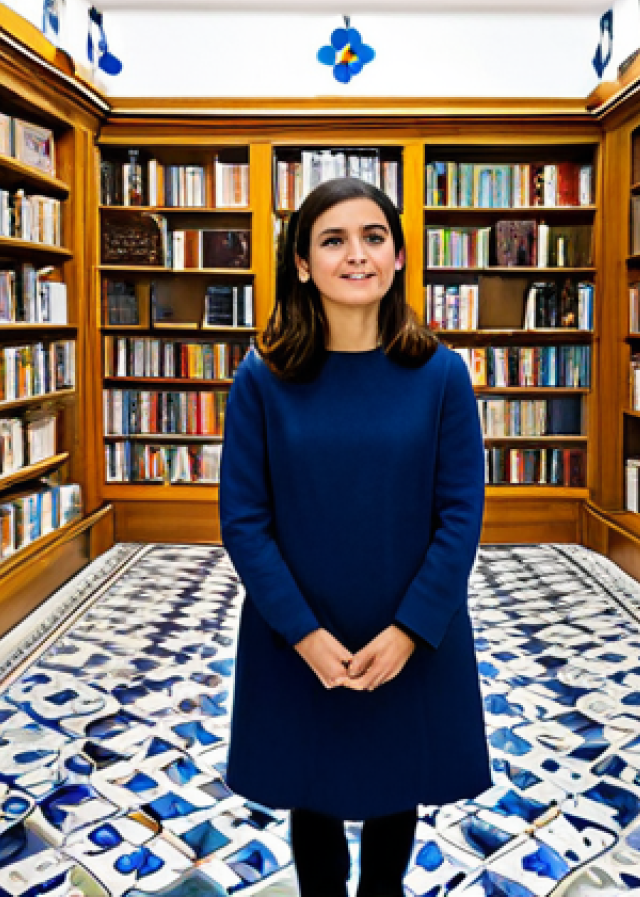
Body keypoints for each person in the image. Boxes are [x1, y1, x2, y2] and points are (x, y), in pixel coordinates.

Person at [218, 177, 491, 896]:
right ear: (303, 264)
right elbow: (244, 518)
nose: (357, 255)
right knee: (313, 786)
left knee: (393, 782)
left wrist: (410, 630)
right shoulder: (262, 376)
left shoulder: (440, 375)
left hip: (407, 627)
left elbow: (461, 512)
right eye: (333, 240)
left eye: (373, 237)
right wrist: (302, 632)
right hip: (298, 631)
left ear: (399, 256)